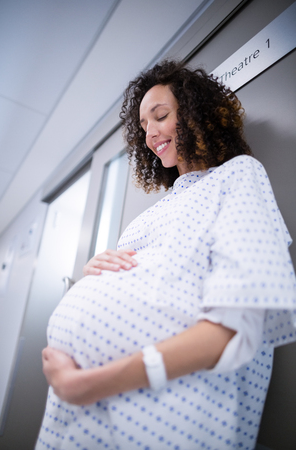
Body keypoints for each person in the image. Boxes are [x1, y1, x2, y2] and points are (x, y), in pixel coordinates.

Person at [36, 60, 296, 450]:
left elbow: (234, 329)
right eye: (143, 126)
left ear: (197, 114)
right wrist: (93, 274)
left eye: (160, 116)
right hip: (80, 414)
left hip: (159, 413)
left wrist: (86, 383)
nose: (150, 134)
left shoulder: (239, 176)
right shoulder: (152, 214)